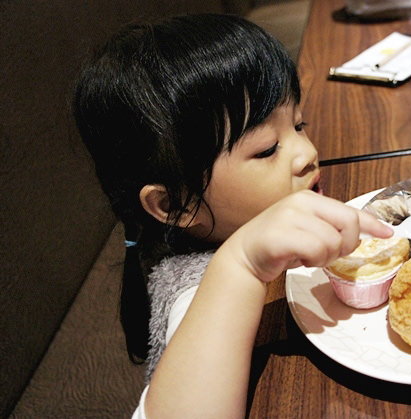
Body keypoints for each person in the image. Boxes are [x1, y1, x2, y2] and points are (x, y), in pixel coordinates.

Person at [73, 13, 392, 418]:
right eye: (266, 148)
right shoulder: (196, 290)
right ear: (177, 205)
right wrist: (241, 264)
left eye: (299, 124)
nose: (307, 152)